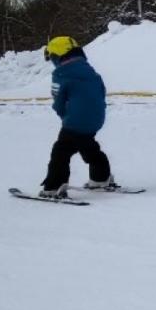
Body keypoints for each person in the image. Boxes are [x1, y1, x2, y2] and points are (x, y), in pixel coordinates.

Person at [38, 35, 117, 199]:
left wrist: (65, 116)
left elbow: (58, 101)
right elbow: (101, 93)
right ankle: (100, 177)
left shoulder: (61, 74)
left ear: (56, 56)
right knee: (88, 146)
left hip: (75, 121)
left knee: (60, 152)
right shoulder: (91, 71)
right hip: (96, 119)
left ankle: (54, 186)